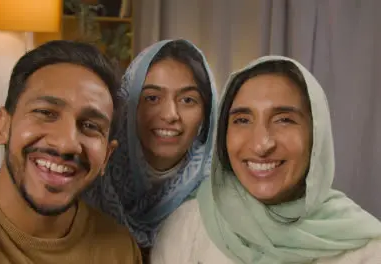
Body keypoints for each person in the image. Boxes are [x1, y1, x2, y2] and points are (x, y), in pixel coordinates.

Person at [0, 40, 142, 264]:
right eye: (45, 112)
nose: (66, 144)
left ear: (106, 156)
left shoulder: (118, 248)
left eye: (91, 126)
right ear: (3, 126)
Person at [151, 56, 381, 264]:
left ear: (316, 135)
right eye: (242, 120)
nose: (261, 145)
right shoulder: (188, 227)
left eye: (284, 120)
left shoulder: (365, 248)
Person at [82, 39, 218, 250]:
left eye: (188, 100)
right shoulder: (91, 174)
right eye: (152, 98)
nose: (170, 115)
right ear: (129, 105)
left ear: (206, 114)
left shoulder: (217, 196)